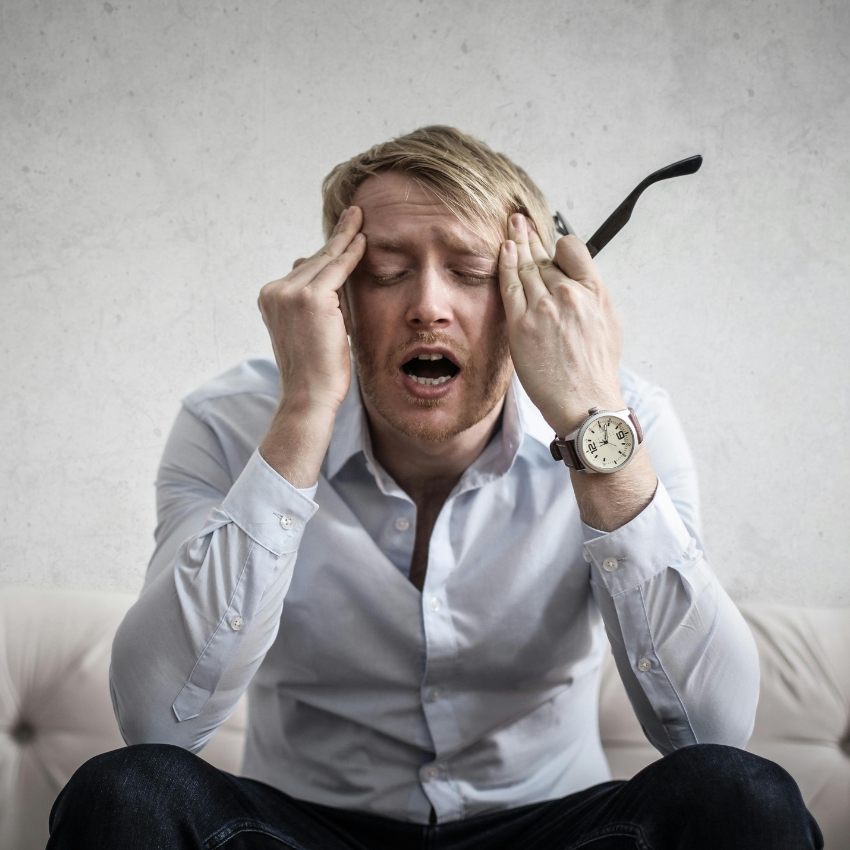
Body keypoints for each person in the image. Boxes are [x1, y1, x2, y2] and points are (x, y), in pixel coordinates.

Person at [48, 126, 822, 849]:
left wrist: (594, 426)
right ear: (338, 297)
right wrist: (303, 413)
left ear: (534, 298)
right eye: (385, 273)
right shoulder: (228, 423)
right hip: (305, 830)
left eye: (473, 272)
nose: (426, 305)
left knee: (740, 794)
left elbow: (713, 732)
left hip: (550, 830)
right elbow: (157, 723)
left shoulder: (627, 422)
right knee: (127, 793)